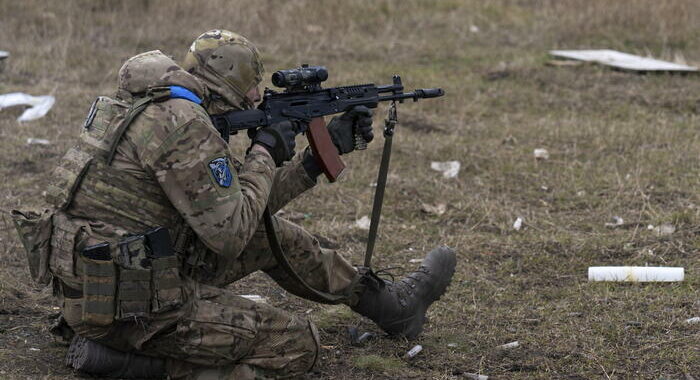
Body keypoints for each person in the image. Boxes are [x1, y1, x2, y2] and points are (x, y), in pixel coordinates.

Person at [13, 29, 456, 379]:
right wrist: (263, 152)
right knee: (298, 346)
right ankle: (127, 362)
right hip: (130, 308)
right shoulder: (185, 128)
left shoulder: (147, 107)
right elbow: (228, 234)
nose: (255, 99)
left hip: (110, 288)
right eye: (251, 90)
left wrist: (313, 162)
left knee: (273, 236)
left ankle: (392, 308)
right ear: (230, 89)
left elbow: (232, 211)